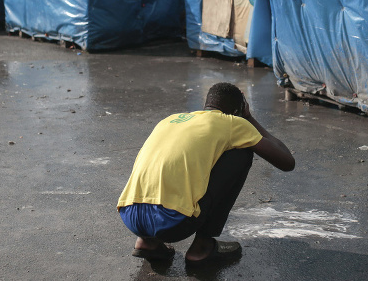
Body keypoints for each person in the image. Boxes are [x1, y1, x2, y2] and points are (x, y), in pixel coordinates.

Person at [117, 82, 294, 266]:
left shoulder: (170, 120)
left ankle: (147, 242)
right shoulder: (232, 122)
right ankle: (203, 246)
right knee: (242, 153)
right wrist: (248, 118)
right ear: (238, 110)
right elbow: (287, 161)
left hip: (130, 216)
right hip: (173, 223)